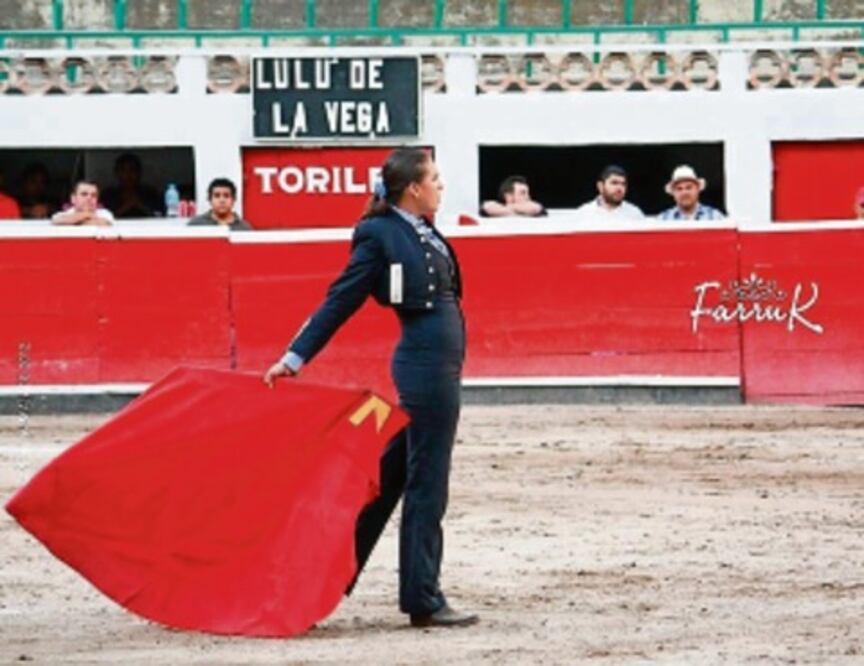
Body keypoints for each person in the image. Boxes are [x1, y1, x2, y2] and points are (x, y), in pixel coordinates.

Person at [263, 148, 478, 629]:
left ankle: (320, 577)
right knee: (427, 483)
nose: (441, 186)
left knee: (386, 482)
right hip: (425, 371)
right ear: (413, 188)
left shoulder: (421, 229)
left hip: (438, 368)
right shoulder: (379, 233)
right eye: (435, 179)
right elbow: (341, 299)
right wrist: (295, 356)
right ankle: (423, 598)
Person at [100, 153, 164, 219]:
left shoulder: (150, 193)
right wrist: (125, 207)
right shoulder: (109, 195)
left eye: (132, 170)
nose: (128, 175)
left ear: (139, 172)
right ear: (117, 173)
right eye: (123, 170)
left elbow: (159, 216)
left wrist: (139, 204)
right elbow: (103, 219)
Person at [574, 165, 644, 220]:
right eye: (614, 183)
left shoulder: (634, 214)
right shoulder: (584, 213)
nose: (619, 188)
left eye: (623, 184)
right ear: (600, 186)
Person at [658, 165, 725, 220]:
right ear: (673, 193)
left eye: (689, 187)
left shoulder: (715, 217)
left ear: (698, 189)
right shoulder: (662, 219)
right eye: (679, 189)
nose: (684, 192)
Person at [188, 178, 252, 230]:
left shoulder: (244, 228)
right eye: (217, 196)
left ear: (234, 200)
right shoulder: (196, 224)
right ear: (209, 199)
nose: (222, 200)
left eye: (226, 196)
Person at [481, 175, 547, 217]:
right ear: (508, 196)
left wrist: (512, 208)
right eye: (523, 193)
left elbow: (537, 208)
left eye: (528, 193)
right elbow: (487, 207)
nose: (528, 197)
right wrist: (514, 209)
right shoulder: (495, 208)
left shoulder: (532, 210)